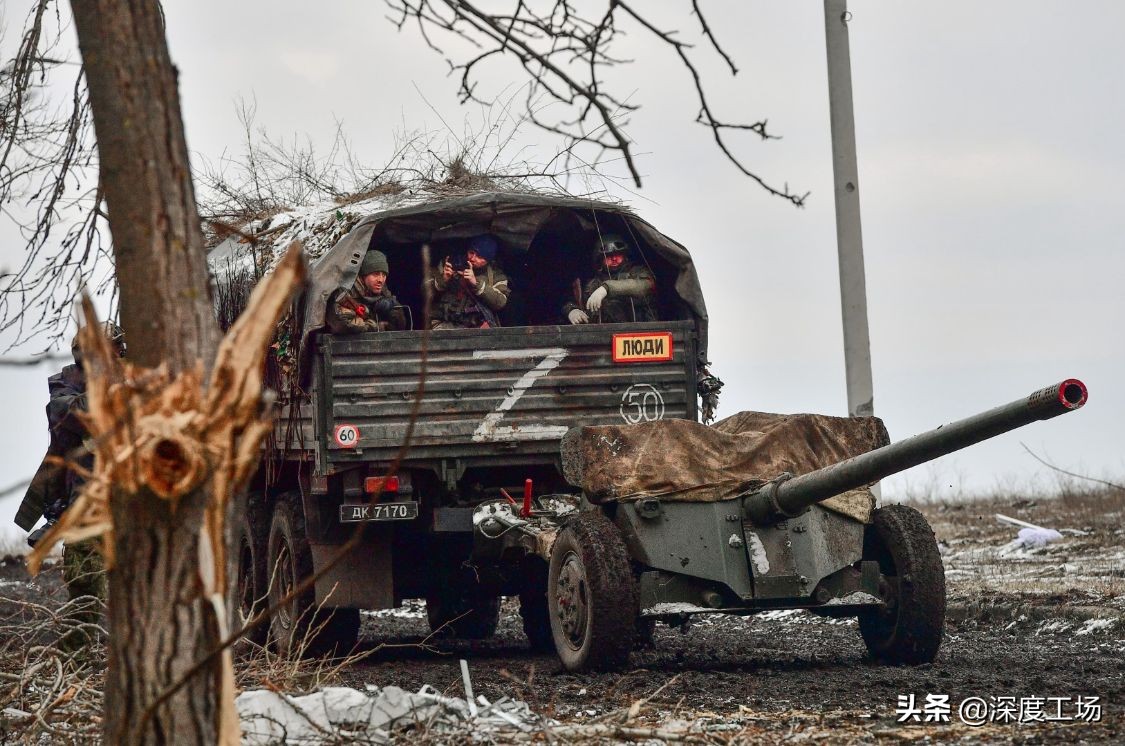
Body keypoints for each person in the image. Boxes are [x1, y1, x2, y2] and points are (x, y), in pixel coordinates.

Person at [15, 321, 125, 653]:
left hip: (130, 502)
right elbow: (72, 415)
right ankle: (79, 660)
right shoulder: (65, 389)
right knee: (86, 587)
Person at [563, 232, 659, 324]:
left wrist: (606, 288)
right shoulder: (593, 284)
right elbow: (574, 301)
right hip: (604, 336)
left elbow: (645, 285)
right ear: (600, 259)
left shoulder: (637, 272)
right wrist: (571, 310)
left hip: (641, 333)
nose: (614, 259)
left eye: (618, 254)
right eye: (608, 256)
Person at [428, 235, 510, 329]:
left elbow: (500, 302)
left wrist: (476, 283)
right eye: (471, 252)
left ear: (488, 260)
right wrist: (443, 279)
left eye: (479, 256)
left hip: (477, 327)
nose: (473, 258)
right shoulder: (449, 264)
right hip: (444, 323)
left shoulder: (496, 276)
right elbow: (424, 291)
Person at [325, 249, 407, 334]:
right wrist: (376, 327)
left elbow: (399, 327)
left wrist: (393, 307)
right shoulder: (345, 293)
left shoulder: (383, 292)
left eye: (384, 275)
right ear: (363, 275)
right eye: (376, 274)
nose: (381, 280)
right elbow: (344, 324)